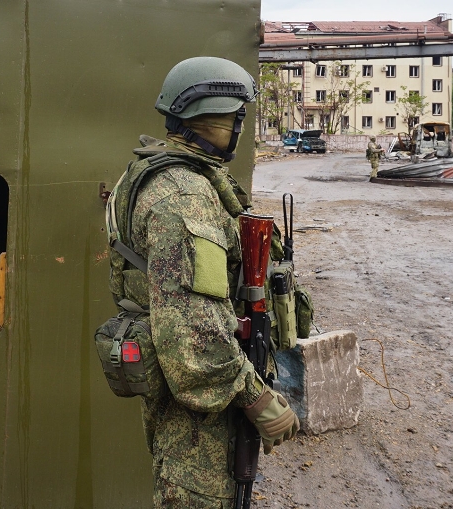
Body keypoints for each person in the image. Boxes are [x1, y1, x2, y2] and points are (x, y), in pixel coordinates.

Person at [106, 57, 300, 508]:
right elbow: (192, 335)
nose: (238, 127)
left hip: (199, 400)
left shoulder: (181, 177)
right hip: (198, 411)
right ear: (212, 117)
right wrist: (258, 400)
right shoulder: (182, 195)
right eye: (237, 117)